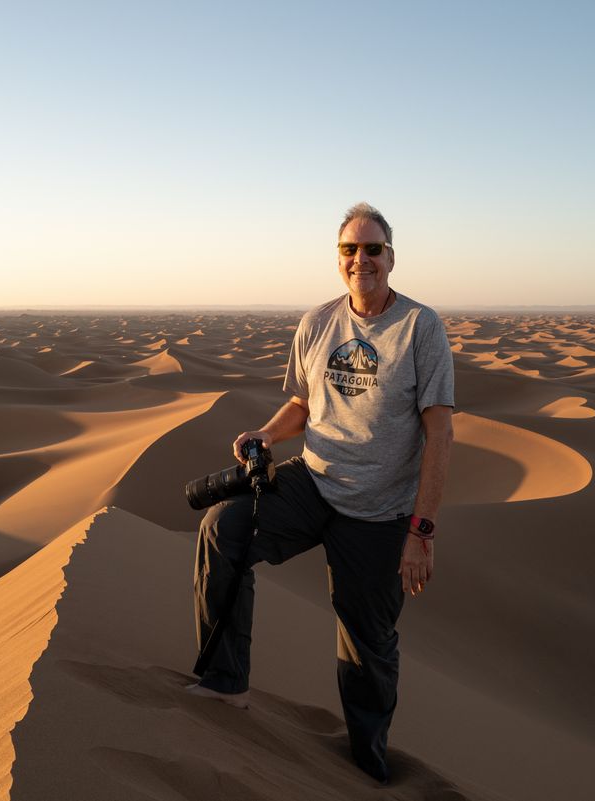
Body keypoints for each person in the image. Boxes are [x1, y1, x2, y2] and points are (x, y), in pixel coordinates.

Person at [187, 202, 455, 783]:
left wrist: (421, 530)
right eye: (350, 250)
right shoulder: (317, 322)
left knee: (368, 643)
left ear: (391, 257)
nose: (362, 259)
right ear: (339, 259)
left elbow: (440, 433)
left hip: (381, 510)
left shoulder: (420, 327)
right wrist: (266, 431)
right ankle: (225, 684)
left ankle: (367, 766)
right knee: (223, 530)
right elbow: (304, 404)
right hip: (313, 481)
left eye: (373, 248)